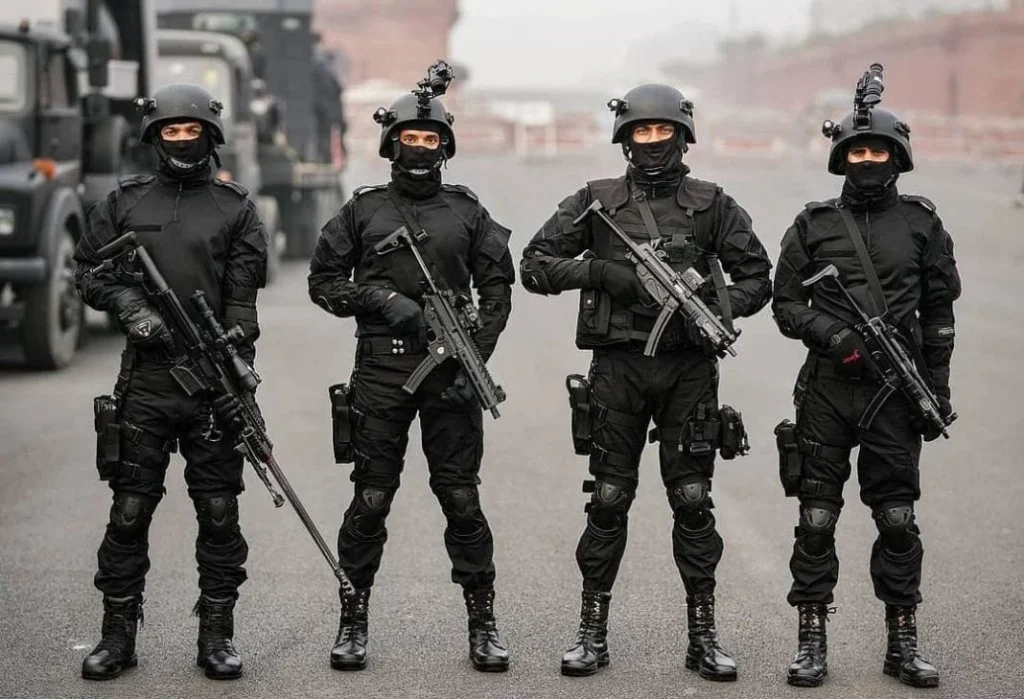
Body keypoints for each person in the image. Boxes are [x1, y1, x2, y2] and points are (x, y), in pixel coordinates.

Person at [520, 84, 772, 680]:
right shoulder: (596, 200)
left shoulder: (713, 204)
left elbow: (759, 277)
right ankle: (591, 633)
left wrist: (711, 310)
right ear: (625, 139)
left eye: (663, 132)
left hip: (688, 371)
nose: (653, 142)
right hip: (619, 370)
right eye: (642, 131)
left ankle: (703, 637)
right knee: (608, 499)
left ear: (683, 137)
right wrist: (602, 273)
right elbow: (533, 265)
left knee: (693, 500)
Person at [307, 80, 514, 673]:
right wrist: (378, 298)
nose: (419, 148)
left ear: (445, 147)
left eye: (430, 139)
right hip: (381, 370)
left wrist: (476, 357)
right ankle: (353, 619)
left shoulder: (468, 212)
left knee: (461, 499)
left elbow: (498, 290)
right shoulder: (363, 211)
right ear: (391, 144)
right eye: (409, 138)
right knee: (371, 498)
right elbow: (323, 283)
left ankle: (483, 624)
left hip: (452, 374)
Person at [74, 83, 268, 681]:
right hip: (148, 381)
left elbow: (243, 308)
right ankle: (117, 636)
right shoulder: (123, 202)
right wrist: (131, 307)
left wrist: (236, 369)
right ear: (154, 137)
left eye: (192, 131)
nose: (182, 140)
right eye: (170, 131)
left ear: (211, 135)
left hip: (212, 385)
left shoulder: (236, 209)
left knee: (218, 512)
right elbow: (89, 271)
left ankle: (217, 636)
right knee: (130, 511)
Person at [772, 76, 960, 689]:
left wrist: (936, 390)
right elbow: (784, 303)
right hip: (828, 388)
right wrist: (832, 335)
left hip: (895, 394)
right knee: (816, 519)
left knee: (898, 518)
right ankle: (811, 640)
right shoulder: (813, 224)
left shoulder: (923, 223)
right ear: (841, 158)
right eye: (857, 151)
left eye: (878, 150)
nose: (868, 159)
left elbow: (939, 314)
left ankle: (902, 642)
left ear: (897, 156)